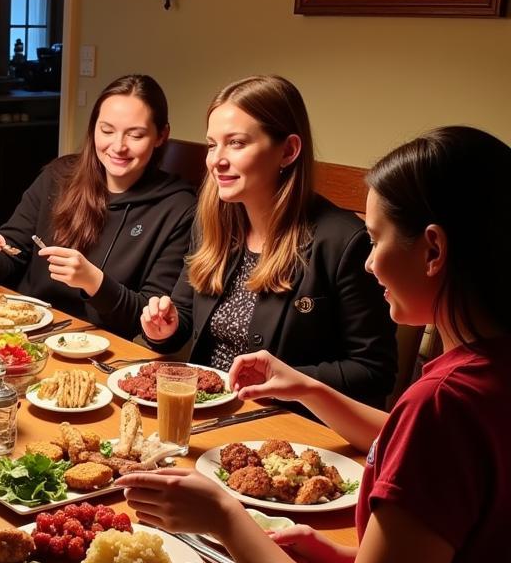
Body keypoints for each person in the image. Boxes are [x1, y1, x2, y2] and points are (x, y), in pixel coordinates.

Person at [118, 126, 511, 563]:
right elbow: (432, 466)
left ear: (435, 249)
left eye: (377, 237)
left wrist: (227, 520)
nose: (366, 263)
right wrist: (310, 390)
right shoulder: (484, 379)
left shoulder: (444, 404)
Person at [140, 75, 396, 406]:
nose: (216, 159)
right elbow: (185, 316)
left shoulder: (342, 242)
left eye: (236, 143)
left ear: (288, 151)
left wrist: (286, 380)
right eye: (211, 144)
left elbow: (375, 371)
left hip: (289, 427)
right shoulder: (211, 222)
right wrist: (165, 328)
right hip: (207, 408)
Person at [0, 74, 195, 339]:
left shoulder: (178, 208)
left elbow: (151, 319)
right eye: (106, 130)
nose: (118, 146)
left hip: (104, 348)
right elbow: (10, 257)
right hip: (26, 334)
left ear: (161, 136)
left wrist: (94, 282)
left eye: (136, 135)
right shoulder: (58, 176)